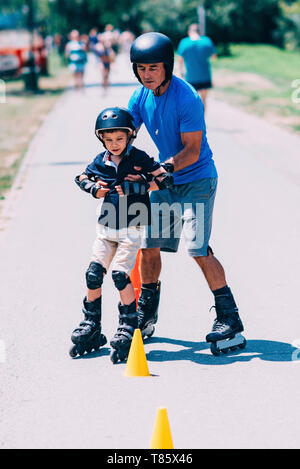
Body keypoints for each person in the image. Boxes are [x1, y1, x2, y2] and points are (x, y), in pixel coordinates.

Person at [127, 32, 245, 355]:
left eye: (153, 68)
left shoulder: (188, 98)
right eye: (141, 68)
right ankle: (146, 313)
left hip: (197, 179)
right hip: (166, 183)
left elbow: (192, 151)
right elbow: (128, 135)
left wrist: (162, 170)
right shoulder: (139, 97)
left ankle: (229, 317)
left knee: (196, 248)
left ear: (167, 66)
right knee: (149, 246)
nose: (147, 74)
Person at [69, 107, 172, 362]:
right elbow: (81, 177)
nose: (114, 144)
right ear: (101, 139)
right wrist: (94, 189)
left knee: (118, 274)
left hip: (132, 227)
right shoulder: (100, 161)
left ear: (129, 136)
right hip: (106, 227)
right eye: (109, 139)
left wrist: (139, 185)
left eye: (119, 139)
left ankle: (128, 324)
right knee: (93, 274)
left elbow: (166, 179)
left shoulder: (140, 158)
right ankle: (91, 323)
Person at [177, 24, 217, 111]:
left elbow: (180, 59)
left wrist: (181, 72)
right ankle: (202, 122)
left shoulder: (184, 42)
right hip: (205, 76)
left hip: (190, 77)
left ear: (189, 32)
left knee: (192, 101)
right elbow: (214, 56)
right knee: (203, 100)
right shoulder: (207, 41)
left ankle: (193, 122)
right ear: (199, 32)